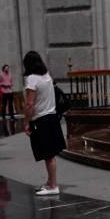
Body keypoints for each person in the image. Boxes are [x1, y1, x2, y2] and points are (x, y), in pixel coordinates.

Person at [23, 51, 66, 196]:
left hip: (41, 119)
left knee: (49, 155)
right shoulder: (46, 75)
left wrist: (26, 122)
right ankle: (49, 183)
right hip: (52, 118)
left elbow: (30, 104)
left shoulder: (32, 79)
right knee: (50, 154)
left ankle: (53, 185)